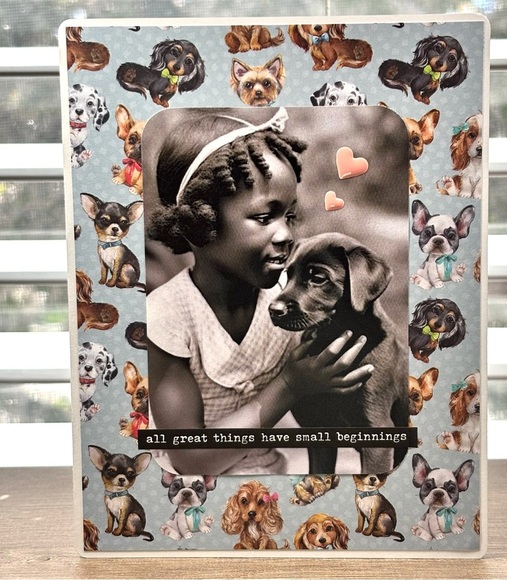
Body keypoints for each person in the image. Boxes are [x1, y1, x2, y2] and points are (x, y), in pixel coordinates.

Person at [146, 108, 373, 475]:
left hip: (271, 476)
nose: (286, 235)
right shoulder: (167, 317)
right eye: (265, 218)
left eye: (290, 217)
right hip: (192, 492)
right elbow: (189, 458)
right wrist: (290, 385)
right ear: (199, 225)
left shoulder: (288, 299)